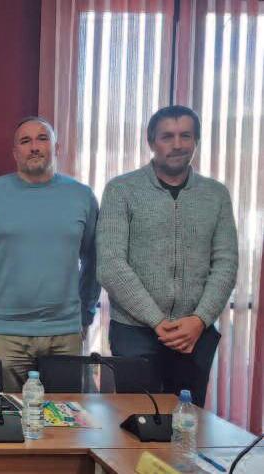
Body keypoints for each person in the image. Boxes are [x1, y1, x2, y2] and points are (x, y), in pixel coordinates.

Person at [97, 105, 237, 407]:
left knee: (187, 423)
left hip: (194, 333)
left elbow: (226, 264)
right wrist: (157, 320)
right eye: (167, 136)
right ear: (151, 142)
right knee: (136, 422)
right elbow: (110, 264)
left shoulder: (216, 195)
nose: (177, 144)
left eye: (185, 136)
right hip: (134, 332)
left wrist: (199, 320)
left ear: (196, 141)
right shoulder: (121, 190)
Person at [0, 117, 100, 392]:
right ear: (15, 152)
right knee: (8, 414)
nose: (34, 147)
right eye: (25, 141)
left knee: (68, 414)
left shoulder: (82, 196)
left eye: (42, 139)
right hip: (5, 332)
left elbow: (94, 260)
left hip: (65, 332)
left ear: (56, 148)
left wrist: (86, 313)